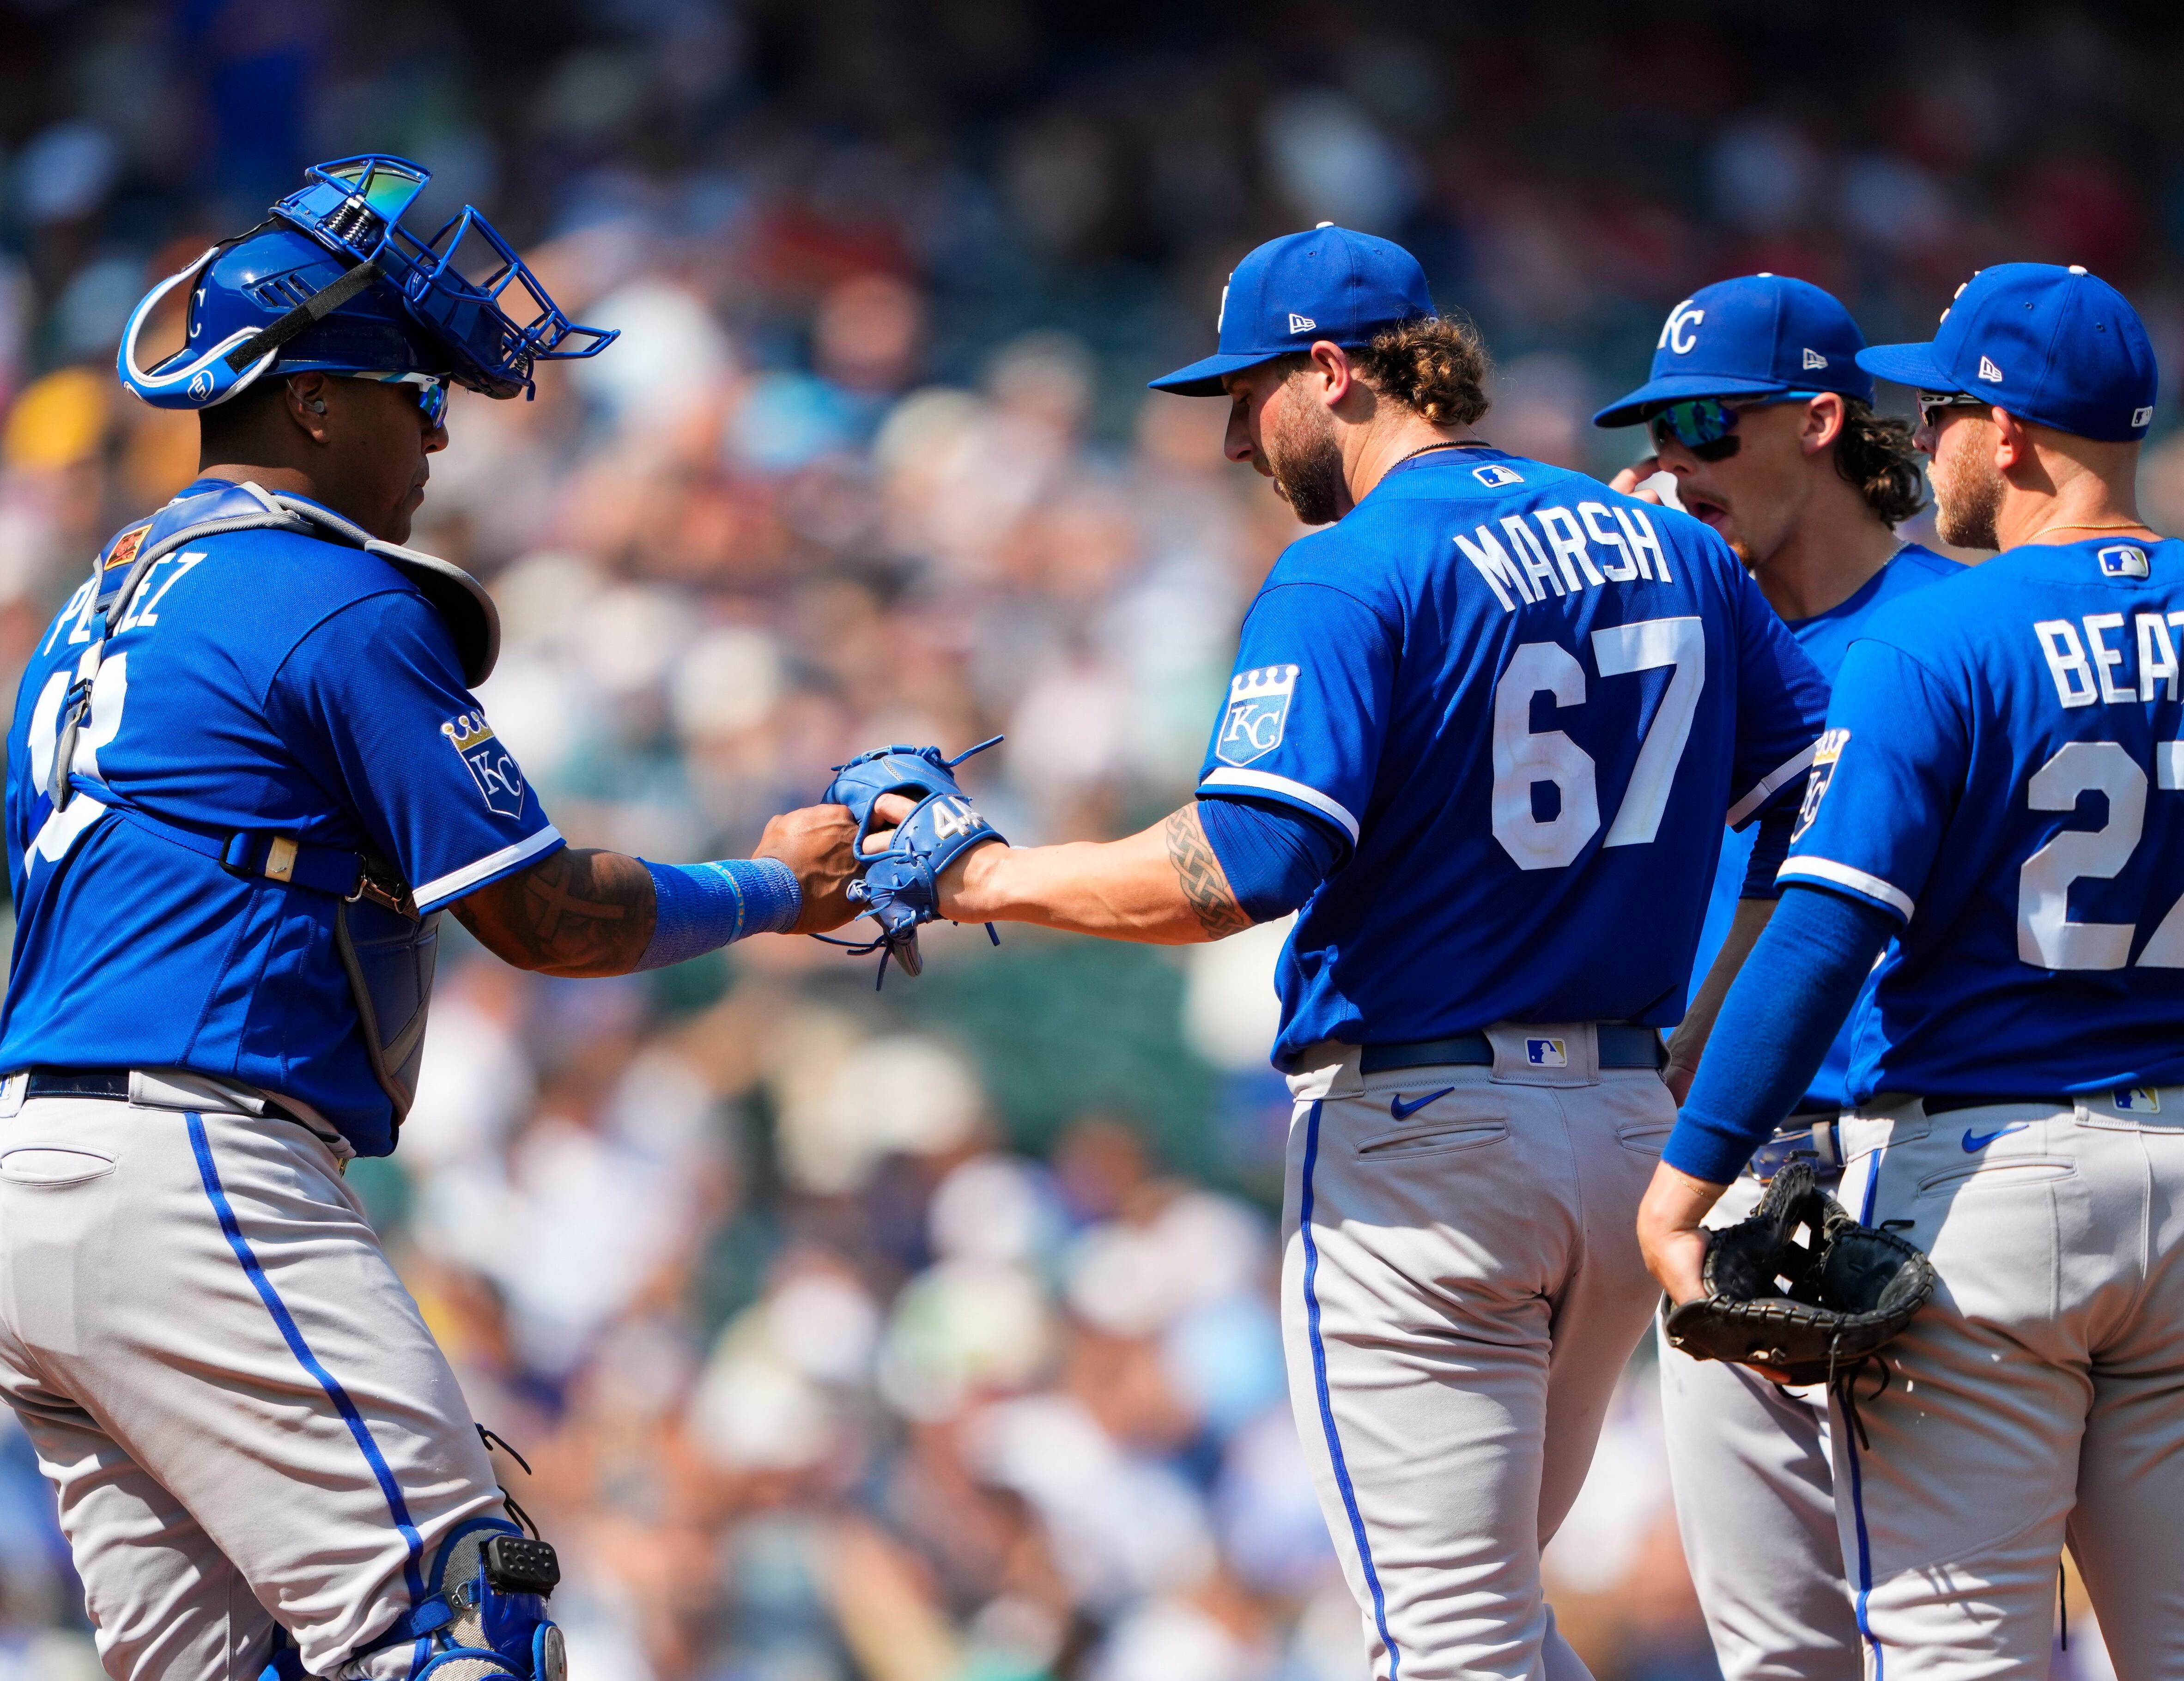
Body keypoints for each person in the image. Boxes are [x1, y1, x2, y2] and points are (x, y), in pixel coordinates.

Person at [855, 224, 1829, 1681]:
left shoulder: (1351, 569)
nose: (1239, 436)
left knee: (1443, 1648)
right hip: (1630, 1131)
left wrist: (979, 873)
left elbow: (1236, 868)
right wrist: (1706, 1059)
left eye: (1252, 392)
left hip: (1429, 1149)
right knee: (1493, 1630)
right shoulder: (1673, 542)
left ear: (1336, 369)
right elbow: (1827, 799)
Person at [0, 156, 860, 1681]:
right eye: (410, 392)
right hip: (191, 1170)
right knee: (456, 1628)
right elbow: (549, 917)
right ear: (310, 402)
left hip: (23, 1188)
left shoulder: (93, 607)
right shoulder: (328, 596)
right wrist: (772, 888)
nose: (437, 432)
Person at [1637, 261, 2184, 1678]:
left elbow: (1824, 932)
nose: (1920, 434)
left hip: (1980, 1177)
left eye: (1940, 406)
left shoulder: (1944, 635)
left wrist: (1681, 1183)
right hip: (2172, 1151)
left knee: (1948, 1657)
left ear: (2005, 435)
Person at [1590, 274, 1955, 1681]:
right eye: (1658, 434)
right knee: (1775, 1655)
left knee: (1944, 1631)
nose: (1677, 462)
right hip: (1728, 1177)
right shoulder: (1674, 641)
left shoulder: (1947, 631)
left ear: (1817, 421)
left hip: (1908, 1163)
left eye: (1704, 426)